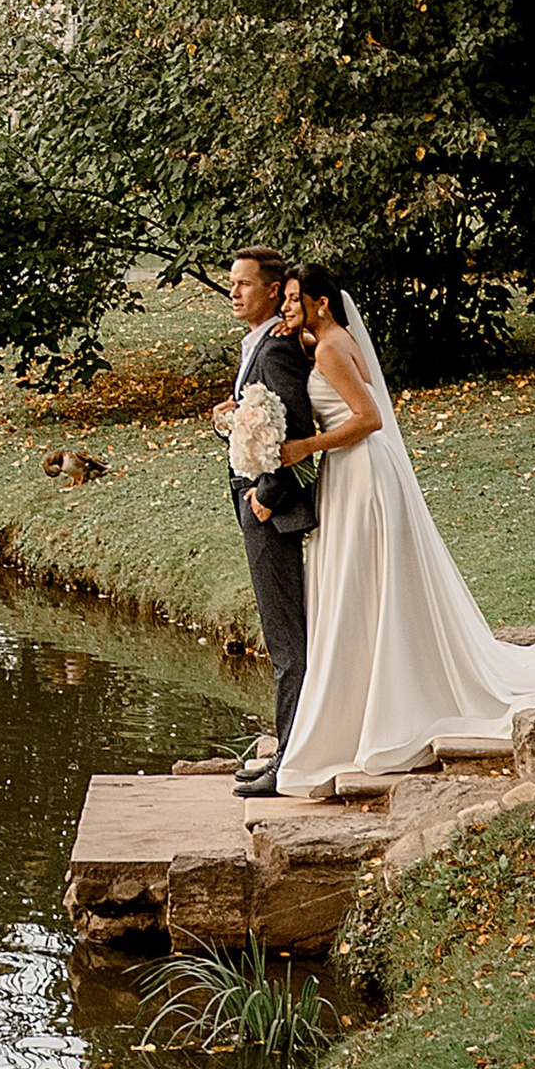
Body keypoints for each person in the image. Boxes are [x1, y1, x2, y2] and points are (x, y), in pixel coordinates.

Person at [272, 264, 535, 795]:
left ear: (321, 302)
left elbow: (367, 417)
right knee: (366, 585)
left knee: (362, 585)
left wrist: (305, 448)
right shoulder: (329, 338)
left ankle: (376, 708)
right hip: (356, 473)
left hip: (359, 471)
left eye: (295, 300)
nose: (286, 308)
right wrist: (296, 334)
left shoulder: (327, 348)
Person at [210, 248, 318, 799]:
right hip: (256, 502)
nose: (234, 293)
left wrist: (268, 496)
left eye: (245, 284)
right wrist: (228, 424)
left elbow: (294, 430)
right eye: (232, 283)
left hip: (269, 513)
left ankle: (291, 761)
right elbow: (260, 426)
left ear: (274, 291)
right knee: (284, 637)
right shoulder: (258, 344)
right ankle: (288, 747)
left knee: (287, 642)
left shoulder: (275, 351)